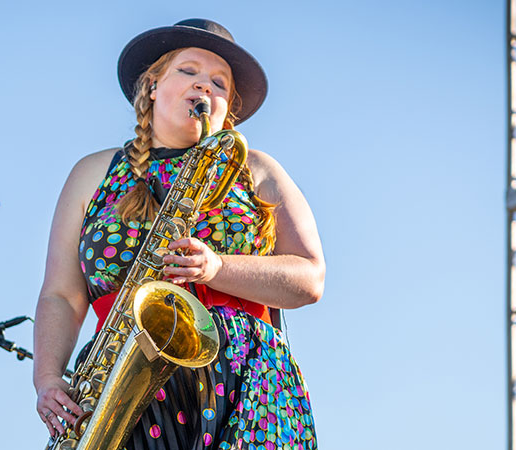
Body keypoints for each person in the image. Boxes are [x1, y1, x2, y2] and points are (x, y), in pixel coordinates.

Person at [33, 18, 324, 449]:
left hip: (246, 381)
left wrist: (217, 267)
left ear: (230, 108)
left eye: (219, 84)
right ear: (151, 86)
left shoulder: (257, 168)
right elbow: (60, 293)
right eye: (188, 72)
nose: (205, 87)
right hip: (119, 377)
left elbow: (309, 278)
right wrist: (48, 378)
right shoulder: (92, 172)